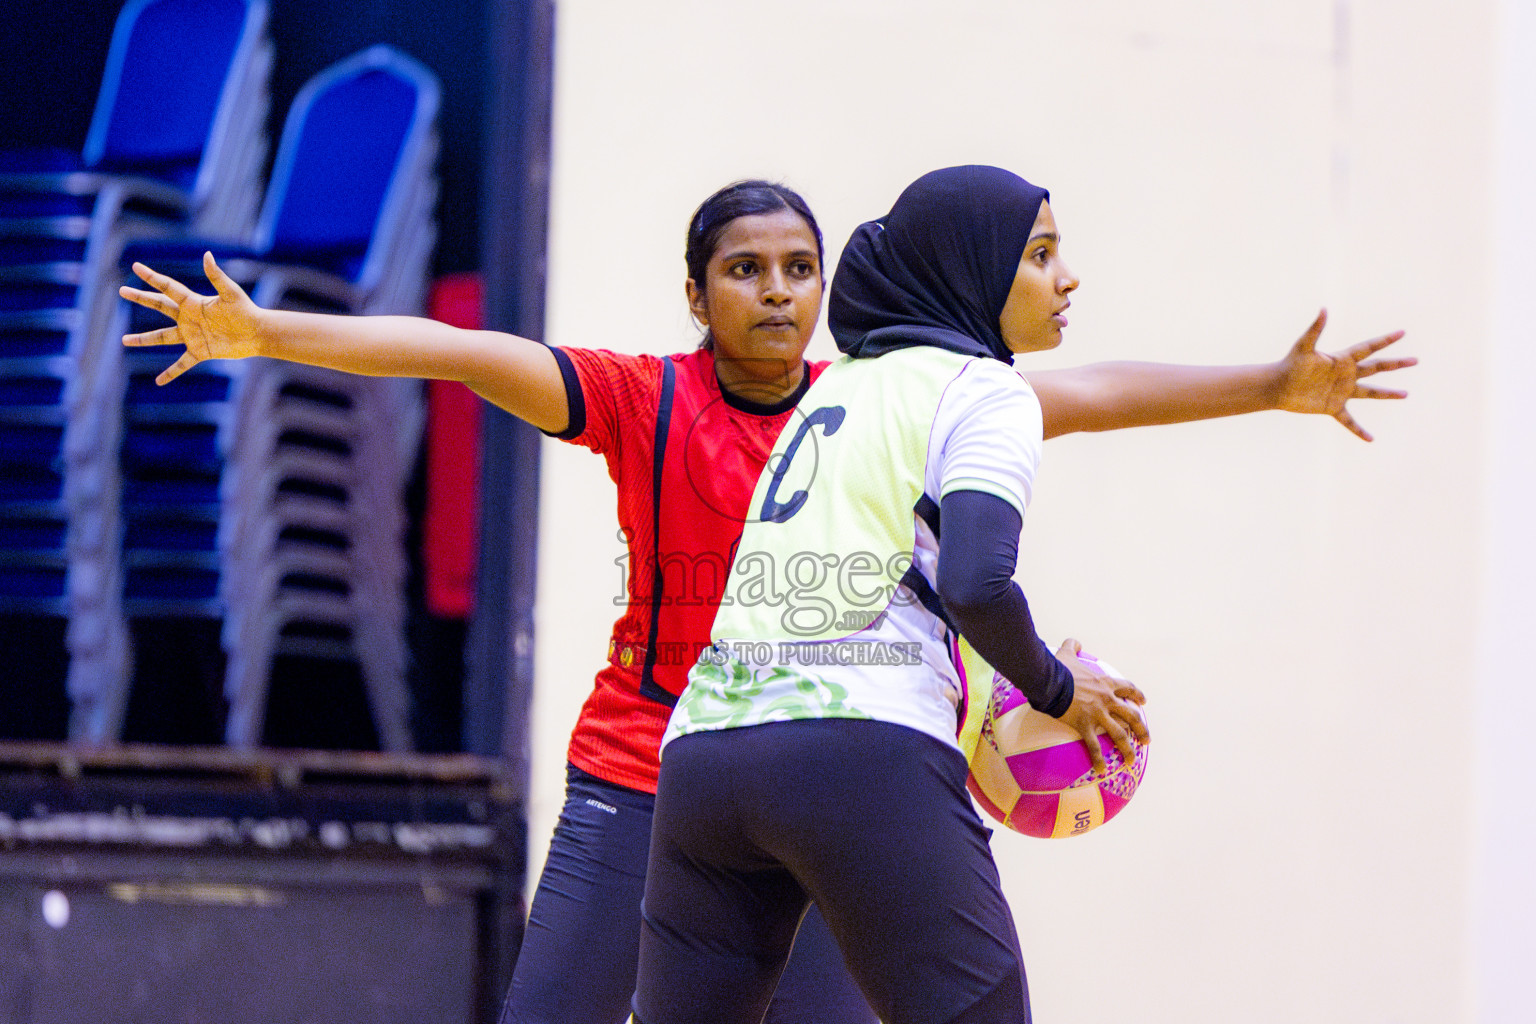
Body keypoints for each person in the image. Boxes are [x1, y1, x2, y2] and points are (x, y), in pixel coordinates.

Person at [120, 177, 1412, 1024]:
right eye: (745, 268)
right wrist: (274, 333)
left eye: (799, 265)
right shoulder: (652, 396)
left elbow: (1093, 390)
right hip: (656, 772)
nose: (778, 290)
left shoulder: (867, 391)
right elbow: (468, 354)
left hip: (765, 773)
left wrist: (1266, 384)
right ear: (699, 294)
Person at [630, 165, 1409, 1024]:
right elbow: (975, 581)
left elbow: (1104, 392)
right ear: (971, 270)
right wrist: (1057, 689)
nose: (1067, 277)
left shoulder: (842, 388)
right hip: (856, 749)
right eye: (1039, 255)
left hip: (705, 756)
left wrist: (1269, 386)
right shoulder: (979, 390)